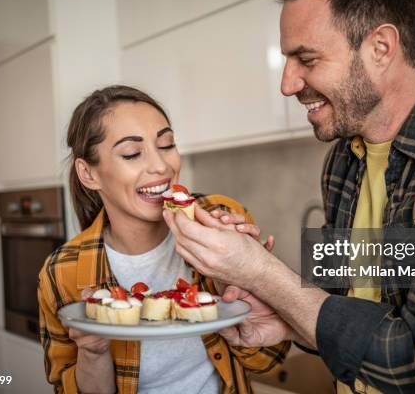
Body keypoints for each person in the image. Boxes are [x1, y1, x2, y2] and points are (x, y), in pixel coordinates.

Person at [163, 0, 415, 393]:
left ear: (381, 47)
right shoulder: (344, 160)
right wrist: (285, 322)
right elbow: (345, 312)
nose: (288, 83)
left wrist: (261, 273)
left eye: (306, 59)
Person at [37, 85, 290, 394]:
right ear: (88, 174)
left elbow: (269, 359)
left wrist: (245, 276)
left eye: (166, 144)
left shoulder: (222, 219)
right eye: (131, 153)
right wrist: (93, 352)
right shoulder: (62, 272)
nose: (161, 166)